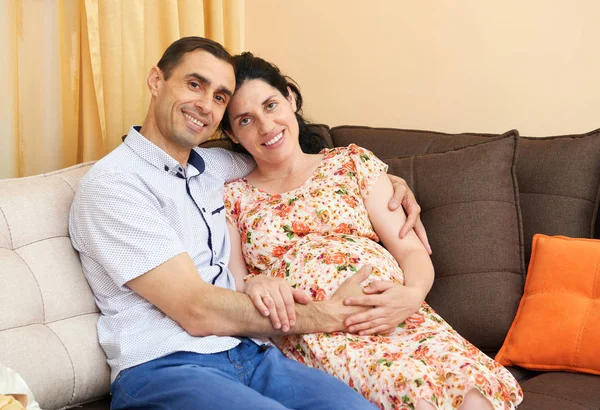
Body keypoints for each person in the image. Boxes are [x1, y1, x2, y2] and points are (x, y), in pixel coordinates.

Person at [69, 36, 424, 409]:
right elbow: (197, 310)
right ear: (156, 80)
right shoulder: (115, 185)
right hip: (166, 365)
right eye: (194, 84)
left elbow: (288, 164)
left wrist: (385, 181)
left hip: (252, 356)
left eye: (220, 97)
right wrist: (324, 315)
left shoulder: (213, 168)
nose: (205, 105)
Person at [220, 52, 524, 410]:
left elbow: (411, 250)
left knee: (471, 390)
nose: (266, 126)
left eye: (271, 105)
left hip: (396, 311)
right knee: (413, 393)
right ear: (231, 134)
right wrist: (255, 284)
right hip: (317, 330)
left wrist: (411, 296)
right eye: (246, 120)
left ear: (289, 97)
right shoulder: (232, 196)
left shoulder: (351, 162)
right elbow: (232, 282)